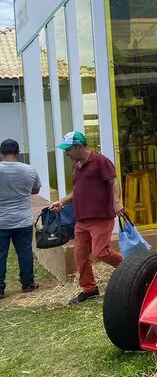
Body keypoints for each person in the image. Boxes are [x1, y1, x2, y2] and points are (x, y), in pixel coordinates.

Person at [50, 131, 124, 305]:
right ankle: (89, 289)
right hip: (81, 220)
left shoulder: (100, 161)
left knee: (101, 252)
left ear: (79, 146)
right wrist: (62, 202)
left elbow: (113, 181)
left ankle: (132, 269)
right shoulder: (76, 166)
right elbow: (78, 191)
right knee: (80, 257)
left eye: (68, 149)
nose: (66, 153)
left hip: (100, 217)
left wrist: (117, 202)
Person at [0, 139, 41, 299]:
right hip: (23, 219)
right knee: (24, 252)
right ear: (18, 153)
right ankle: (28, 283)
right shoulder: (29, 170)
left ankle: (0, 288)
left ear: (1, 153)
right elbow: (35, 190)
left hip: (1, 221)